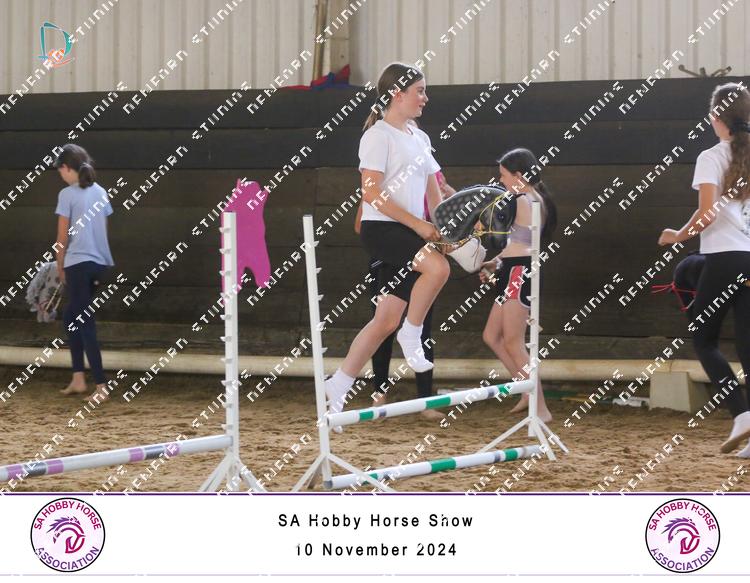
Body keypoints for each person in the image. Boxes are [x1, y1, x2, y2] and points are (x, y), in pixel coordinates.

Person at [324, 62, 449, 424]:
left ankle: (339, 382)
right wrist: (419, 226)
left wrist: (443, 230)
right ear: (397, 93)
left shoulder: (419, 138)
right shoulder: (377, 136)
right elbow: (371, 194)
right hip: (382, 229)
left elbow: (434, 192)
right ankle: (413, 333)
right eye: (419, 91)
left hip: (409, 231)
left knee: (384, 319)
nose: (425, 98)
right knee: (437, 269)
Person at [658, 82, 750, 457]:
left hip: (724, 257)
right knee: (746, 345)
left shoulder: (711, 157)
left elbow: (707, 213)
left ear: (716, 117)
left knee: (704, 340)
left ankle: (741, 414)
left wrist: (677, 235)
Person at [354, 171, 456, 420]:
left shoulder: (430, 182)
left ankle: (425, 401)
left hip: (420, 264)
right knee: (383, 326)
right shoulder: (381, 186)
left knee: (421, 328)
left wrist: (449, 200)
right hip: (386, 262)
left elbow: (444, 223)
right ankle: (379, 394)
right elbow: (360, 225)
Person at [478, 148, 555, 423]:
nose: (501, 181)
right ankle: (526, 391)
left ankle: (540, 407)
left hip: (518, 273)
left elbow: (508, 240)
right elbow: (519, 244)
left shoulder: (522, 199)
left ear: (518, 175)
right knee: (492, 336)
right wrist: (496, 262)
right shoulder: (536, 198)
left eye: (503, 175)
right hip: (514, 269)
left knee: (512, 341)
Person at [54, 144, 115, 403]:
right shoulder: (101, 192)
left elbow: (61, 237)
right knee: (71, 316)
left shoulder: (66, 194)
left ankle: (101, 386)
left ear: (67, 168)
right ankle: (78, 378)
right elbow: (103, 229)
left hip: (77, 264)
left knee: (84, 321)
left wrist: (59, 265)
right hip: (99, 263)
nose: (60, 175)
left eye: (60, 170)